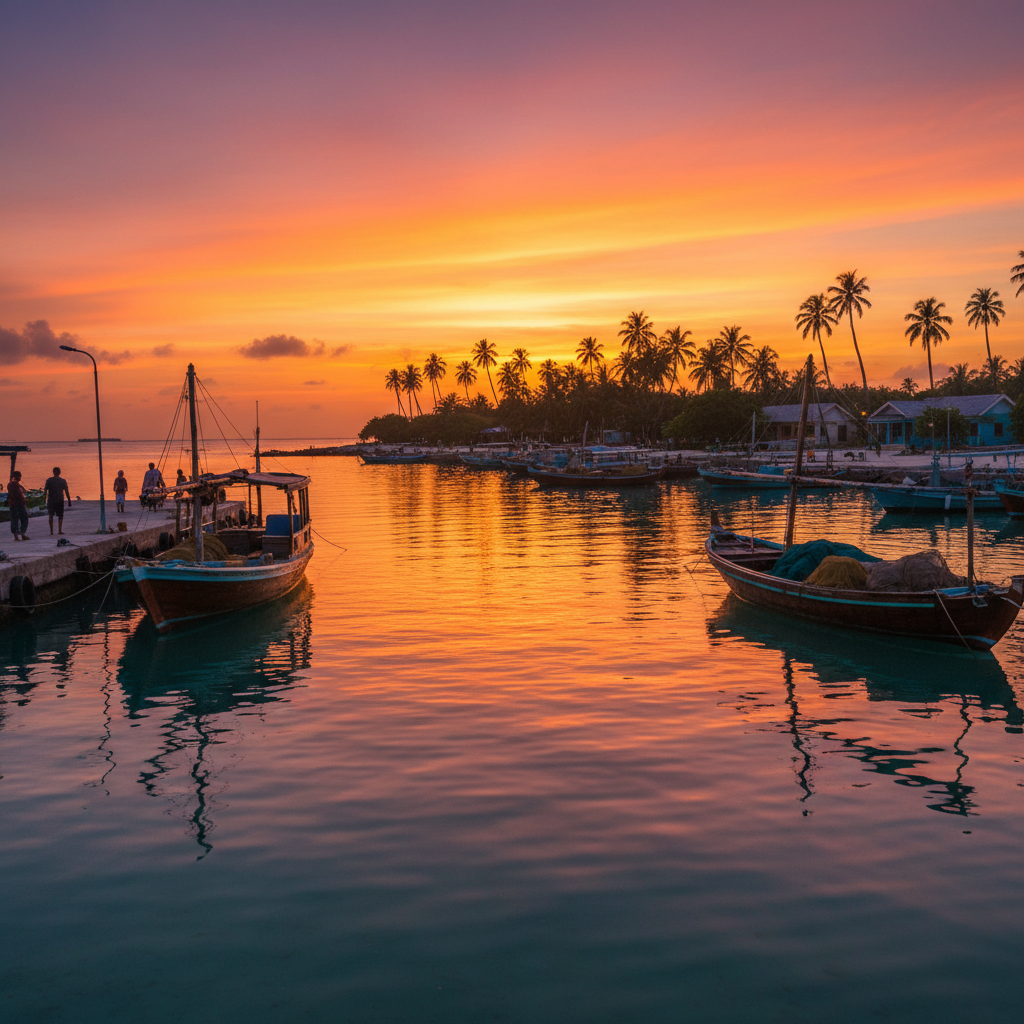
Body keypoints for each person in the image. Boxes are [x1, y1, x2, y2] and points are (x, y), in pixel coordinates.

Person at [43, 467, 71, 536]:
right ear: (60, 472)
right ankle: (59, 530)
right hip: (59, 500)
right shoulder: (63, 481)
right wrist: (69, 500)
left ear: (53, 472)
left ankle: (51, 531)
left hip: (51, 500)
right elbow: (67, 491)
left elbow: (45, 491)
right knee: (60, 516)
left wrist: (43, 500)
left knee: (51, 515)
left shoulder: (49, 480)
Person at [8, 470, 29, 541]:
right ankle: (18, 535)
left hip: (16, 504)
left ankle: (20, 535)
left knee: (18, 519)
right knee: (20, 519)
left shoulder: (13, 484)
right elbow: (17, 495)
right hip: (17, 504)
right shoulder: (14, 485)